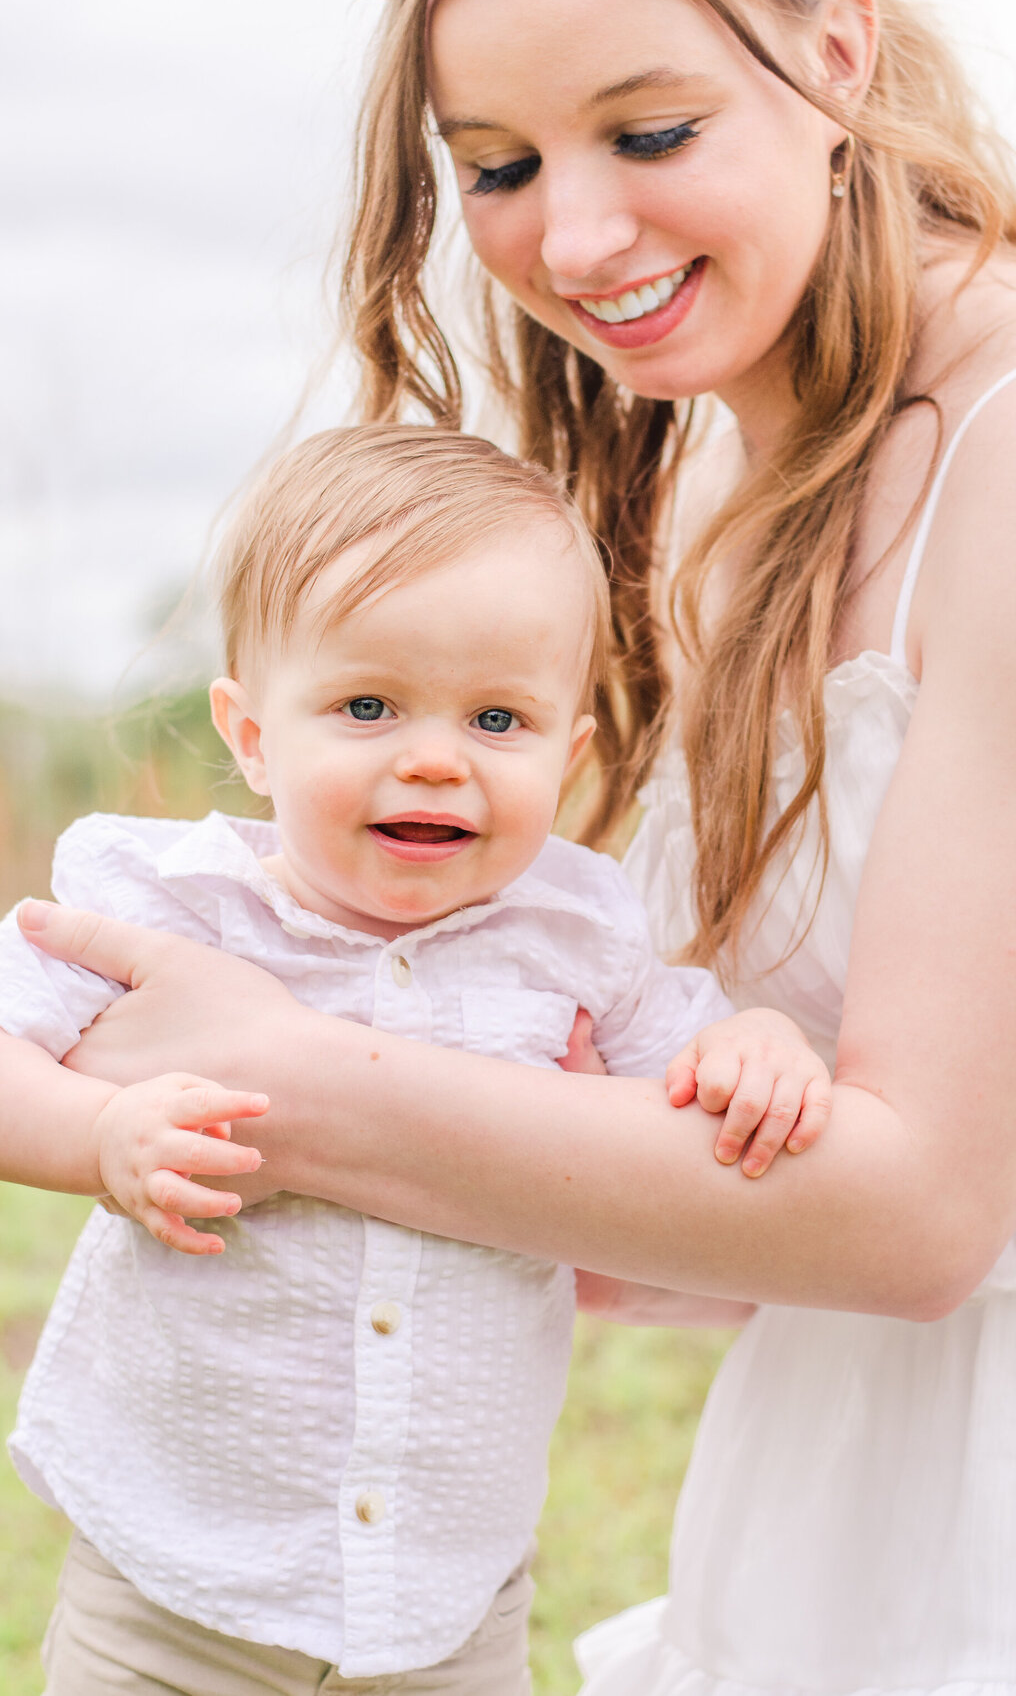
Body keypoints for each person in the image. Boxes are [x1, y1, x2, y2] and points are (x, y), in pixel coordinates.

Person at [17, 0, 1016, 1690]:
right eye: (493, 165)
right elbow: (736, 1176)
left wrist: (272, 1068)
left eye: (651, 131)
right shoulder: (733, 478)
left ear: (838, 50)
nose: (573, 235)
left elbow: (925, 1210)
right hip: (835, 1471)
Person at [0, 422, 828, 1695]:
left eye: (498, 717)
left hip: (448, 1600)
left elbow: (686, 1070)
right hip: (172, 1587)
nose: (433, 754)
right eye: (368, 706)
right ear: (252, 731)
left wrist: (757, 1038)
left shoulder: (577, 938)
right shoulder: (174, 904)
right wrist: (99, 1137)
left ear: (570, 753)